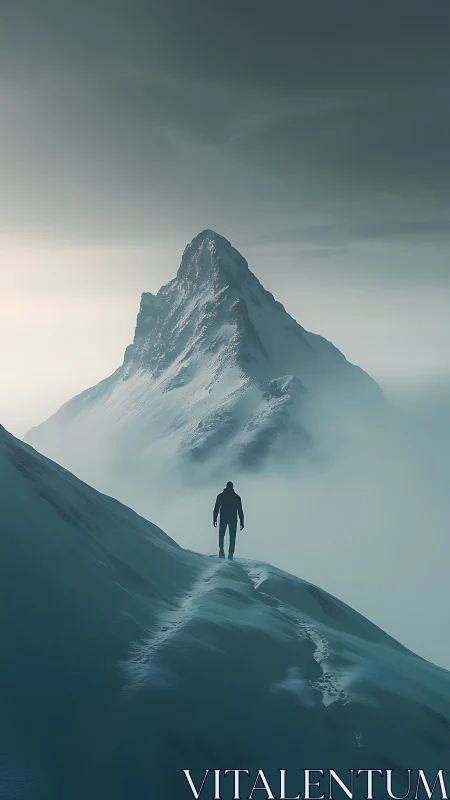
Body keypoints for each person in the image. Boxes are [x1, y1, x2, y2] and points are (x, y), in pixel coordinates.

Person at [213, 481, 244, 560]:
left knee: (223, 535)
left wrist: (215, 519)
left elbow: (216, 508)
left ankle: (224, 551)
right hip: (231, 519)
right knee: (231, 537)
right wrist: (241, 521)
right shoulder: (236, 497)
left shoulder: (221, 496)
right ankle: (227, 553)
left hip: (225, 518)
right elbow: (240, 510)